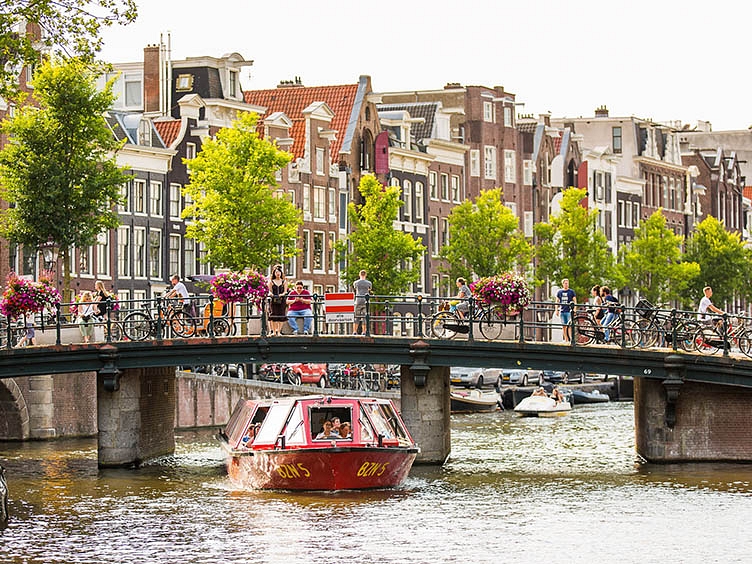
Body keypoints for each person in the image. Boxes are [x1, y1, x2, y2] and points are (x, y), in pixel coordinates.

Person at [267, 265, 288, 336]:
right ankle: (274, 331)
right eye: (276, 272)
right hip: (273, 300)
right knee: (273, 314)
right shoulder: (271, 282)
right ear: (274, 273)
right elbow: (269, 291)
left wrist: (282, 294)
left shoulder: (284, 282)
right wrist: (271, 294)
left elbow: (285, 291)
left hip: (281, 300)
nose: (278, 273)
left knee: (281, 314)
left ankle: (279, 331)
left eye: (279, 272)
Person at [353, 270, 372, 335]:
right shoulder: (369, 283)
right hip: (365, 301)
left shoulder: (356, 283)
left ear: (359, 274)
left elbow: (355, 289)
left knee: (356, 317)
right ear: (365, 275)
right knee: (365, 317)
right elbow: (369, 289)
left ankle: (355, 331)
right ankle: (364, 332)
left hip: (358, 301)